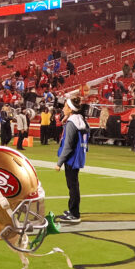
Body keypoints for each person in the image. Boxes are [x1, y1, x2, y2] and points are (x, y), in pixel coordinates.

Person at [56, 96, 89, 224]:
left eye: (65, 106)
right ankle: (73, 210)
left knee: (72, 186)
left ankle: (75, 214)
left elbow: (68, 146)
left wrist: (59, 163)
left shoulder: (72, 123)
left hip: (71, 158)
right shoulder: (80, 119)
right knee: (74, 185)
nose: (63, 108)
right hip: (78, 156)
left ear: (70, 109)